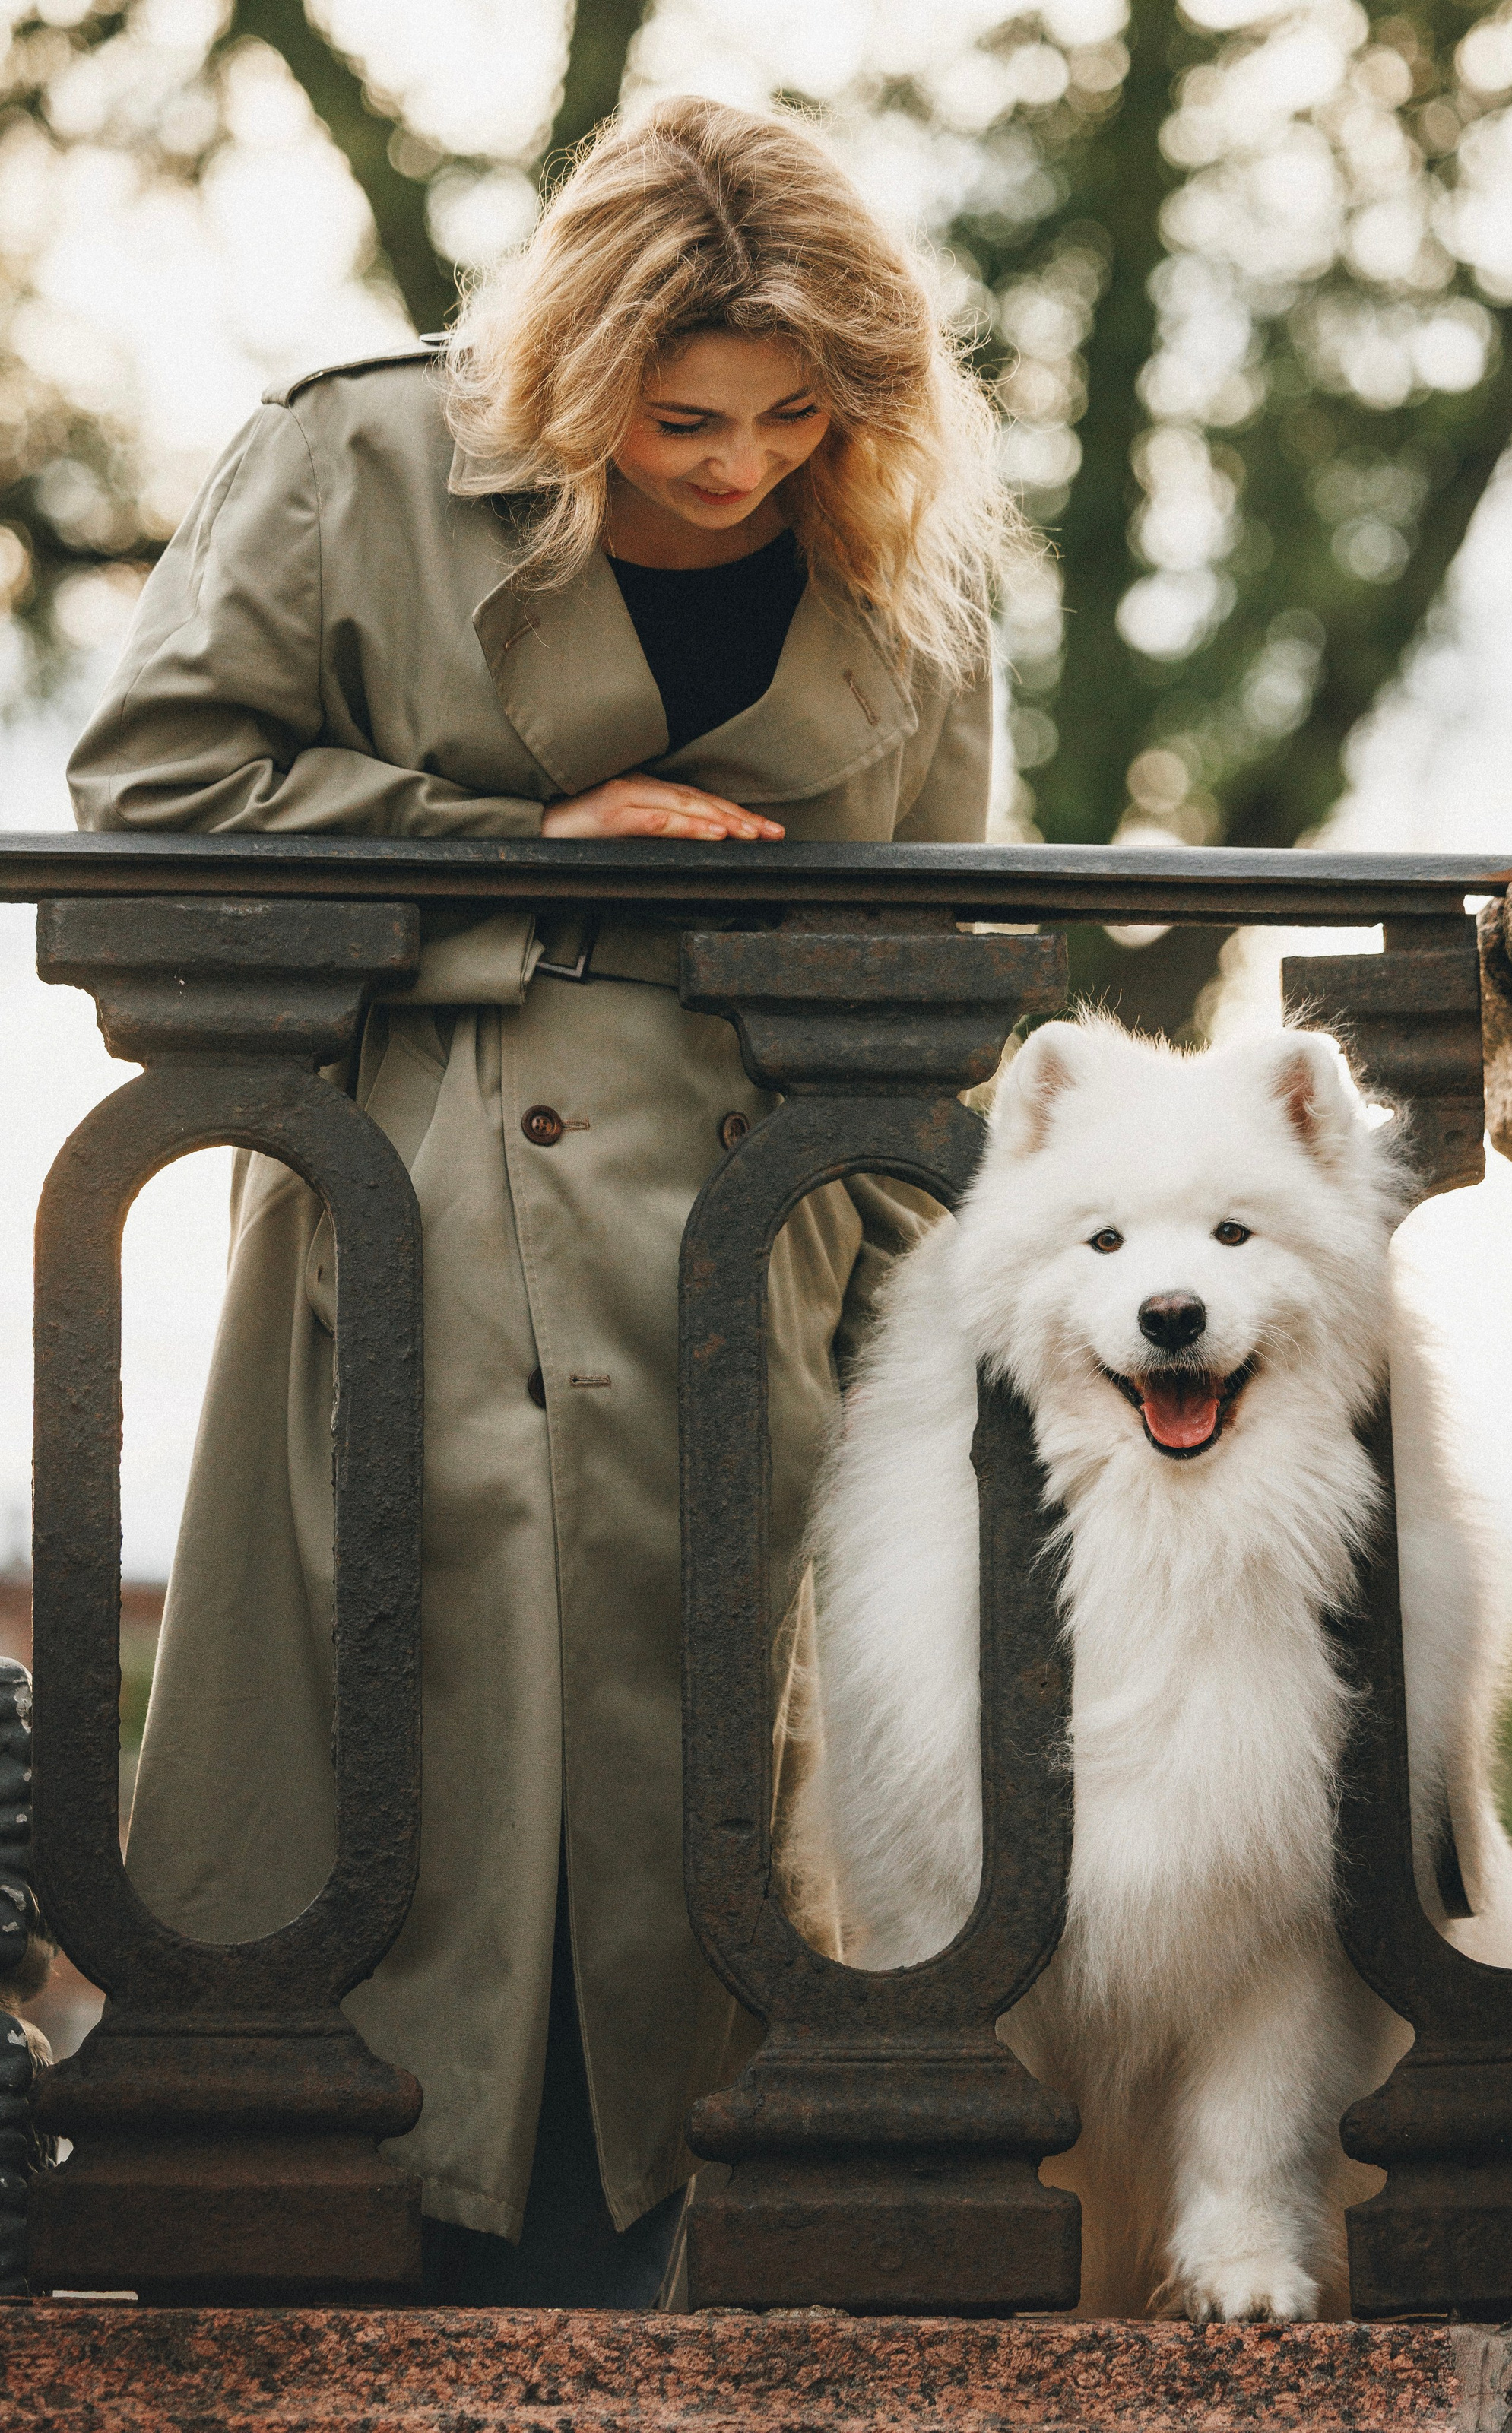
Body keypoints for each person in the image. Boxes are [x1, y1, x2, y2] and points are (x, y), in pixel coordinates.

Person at [65, 94, 1022, 2305]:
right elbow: (157, 786)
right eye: (685, 419)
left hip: (755, 1215)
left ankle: (687, 2265)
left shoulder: (903, 534)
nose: (739, 466)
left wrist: (884, 1249)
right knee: (400, 1701)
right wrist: (513, 855)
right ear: (584, 371)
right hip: (415, 1167)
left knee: (726, 1732)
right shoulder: (359, 453)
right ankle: (325, 2245)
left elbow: (934, 932)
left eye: (794, 415)